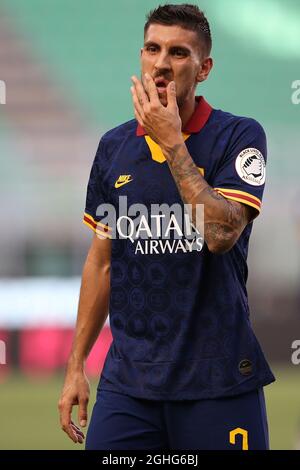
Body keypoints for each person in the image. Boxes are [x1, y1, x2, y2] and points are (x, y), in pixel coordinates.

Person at [58, 3, 275, 450]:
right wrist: (76, 364)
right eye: (153, 48)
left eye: (178, 53)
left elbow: (220, 235)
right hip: (128, 384)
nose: (161, 63)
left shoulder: (239, 137)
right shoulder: (114, 147)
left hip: (217, 380)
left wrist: (173, 142)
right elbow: (102, 263)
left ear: (204, 68)